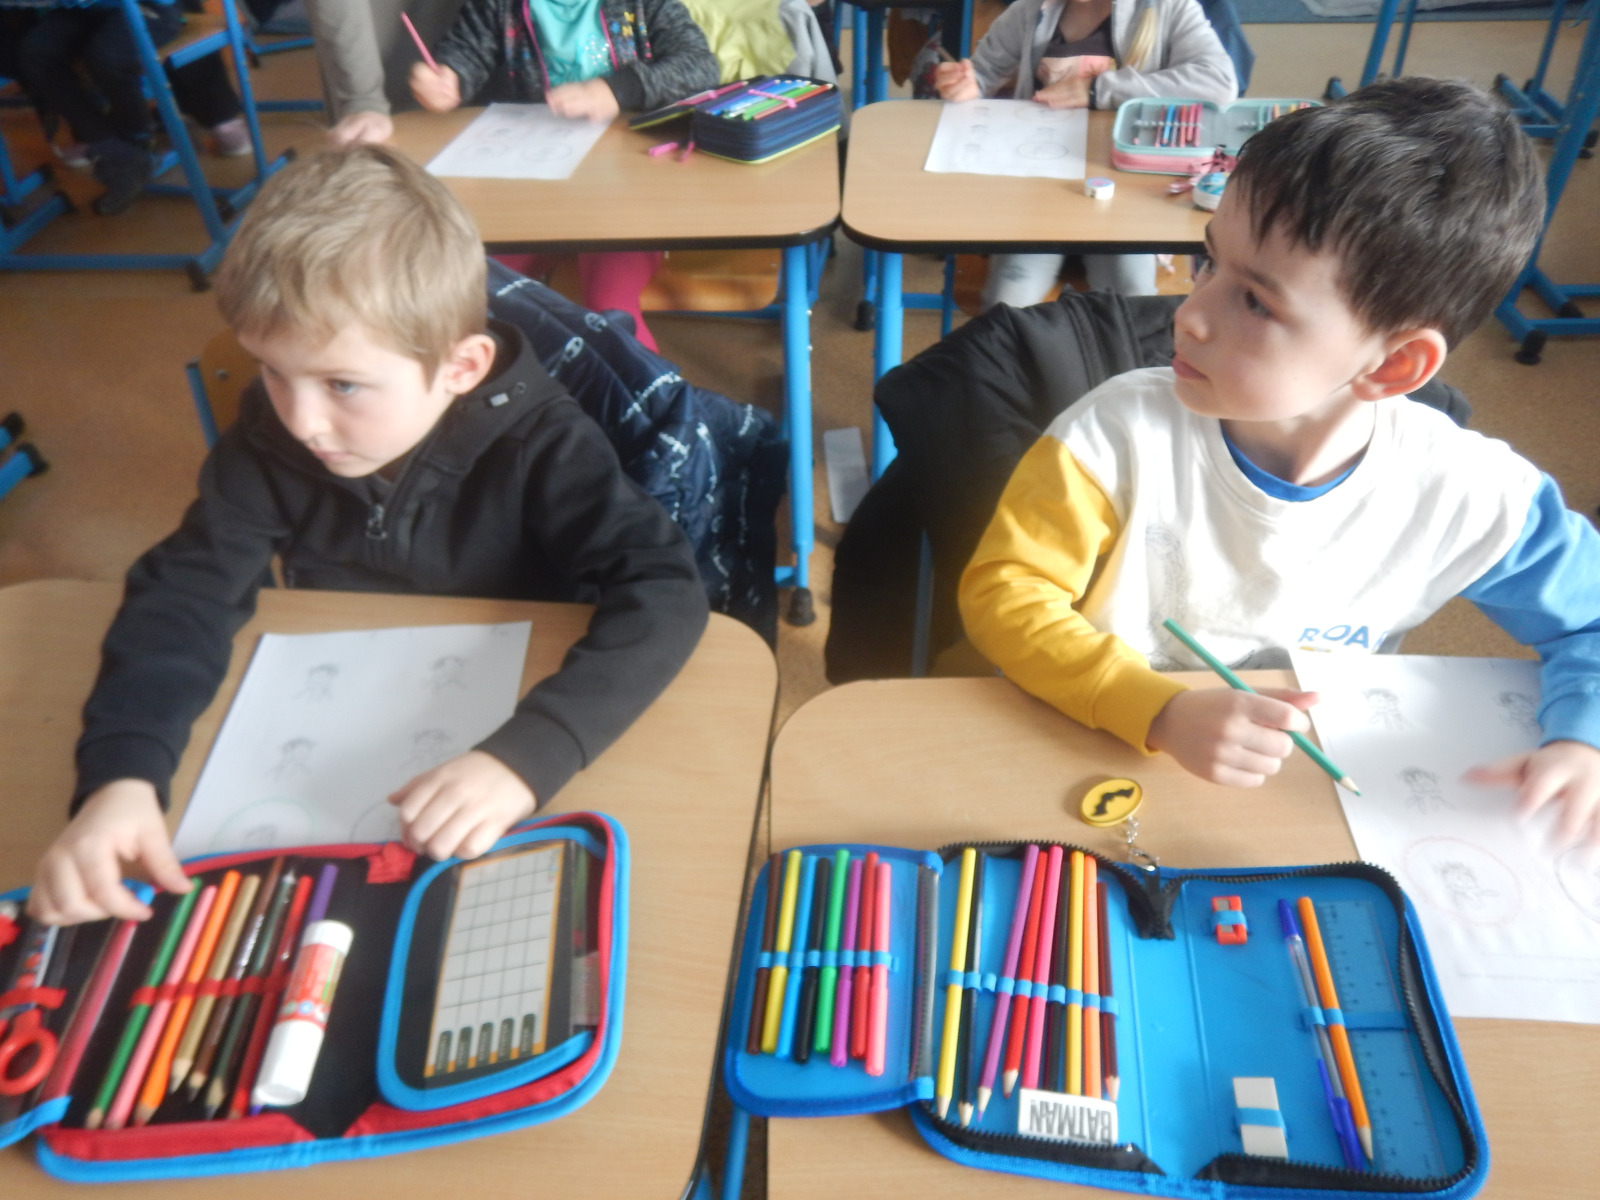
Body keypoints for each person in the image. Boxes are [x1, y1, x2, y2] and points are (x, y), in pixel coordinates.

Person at [29, 145, 709, 926]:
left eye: (342, 384)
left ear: (462, 367)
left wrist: (530, 756)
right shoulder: (272, 437)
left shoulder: (544, 443)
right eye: (272, 371)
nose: (301, 421)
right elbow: (185, 590)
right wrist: (120, 777)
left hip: (515, 721)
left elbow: (664, 589)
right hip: (336, 713)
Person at [958, 78, 1600, 846]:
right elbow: (1006, 594)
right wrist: (1156, 708)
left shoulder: (1465, 492)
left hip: (1295, 798)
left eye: (1257, 302)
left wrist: (1584, 741)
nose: (1189, 314)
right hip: (1090, 755)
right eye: (1208, 261)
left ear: (1393, 366)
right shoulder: (1115, 434)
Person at [409, 0, 720, 351]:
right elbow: (467, 52)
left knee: (611, 309)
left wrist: (616, 90)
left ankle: (645, 388)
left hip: (630, 198)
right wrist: (450, 79)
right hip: (535, 192)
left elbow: (700, 66)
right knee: (464, 288)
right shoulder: (497, 5)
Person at [934, 0, 1236, 306]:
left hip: (1128, 199)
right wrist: (968, 85)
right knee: (1009, 296)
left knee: (1132, 295)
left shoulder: (1168, 8)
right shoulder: (1031, 9)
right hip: (1039, 197)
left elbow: (1219, 82)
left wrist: (1096, 89)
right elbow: (983, 72)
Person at [1, 0, 250, 214]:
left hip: (146, 8)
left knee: (107, 57)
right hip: (82, 11)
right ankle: (112, 148)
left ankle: (139, 137)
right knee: (35, 53)